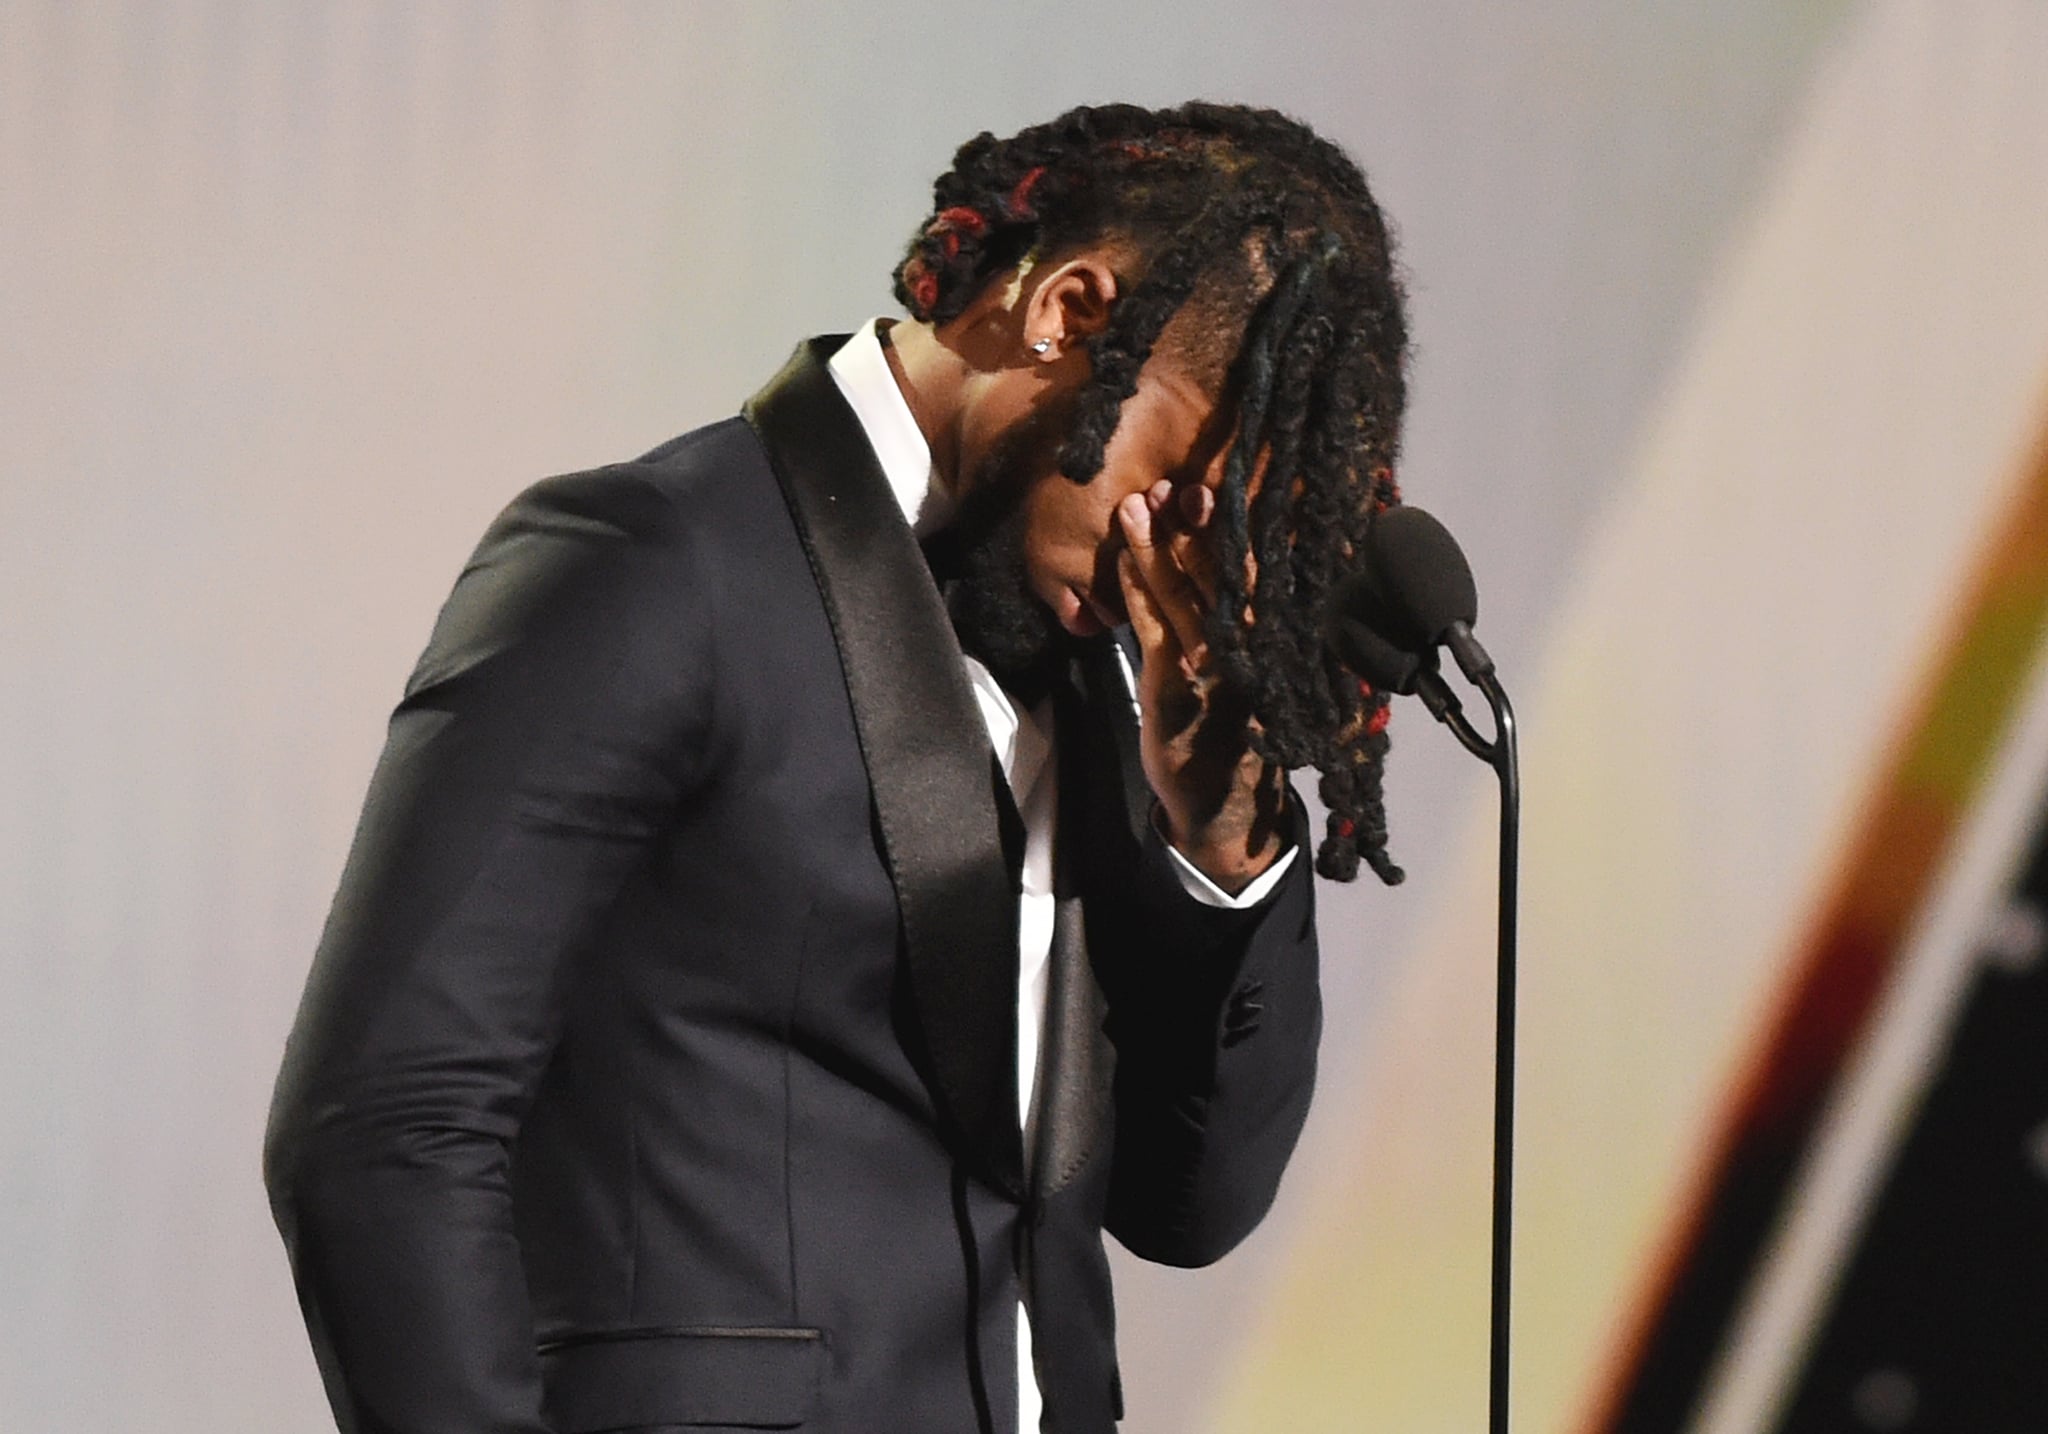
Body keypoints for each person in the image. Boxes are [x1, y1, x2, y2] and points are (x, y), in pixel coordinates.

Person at [264, 100, 1409, 1434]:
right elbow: (383, 1128)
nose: (1187, 551)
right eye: (1183, 483)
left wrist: (1225, 852)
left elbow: (1191, 1205)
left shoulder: (1107, 673)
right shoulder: (652, 563)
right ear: (1070, 313)